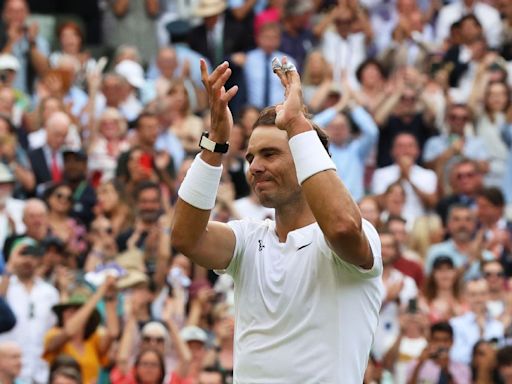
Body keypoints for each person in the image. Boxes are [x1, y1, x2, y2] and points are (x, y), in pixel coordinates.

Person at [171, 58, 382, 382]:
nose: (254, 167)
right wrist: (215, 143)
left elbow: (341, 226)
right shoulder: (247, 240)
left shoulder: (355, 233)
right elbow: (186, 238)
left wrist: (297, 124)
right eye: (251, 157)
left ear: (307, 158)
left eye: (270, 154)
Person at [405, 322, 471, 384]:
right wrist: (419, 364)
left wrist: (446, 370)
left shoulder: (462, 369)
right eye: (436, 340)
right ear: (430, 341)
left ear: (452, 342)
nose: (441, 345)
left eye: (445, 340)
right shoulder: (415, 365)